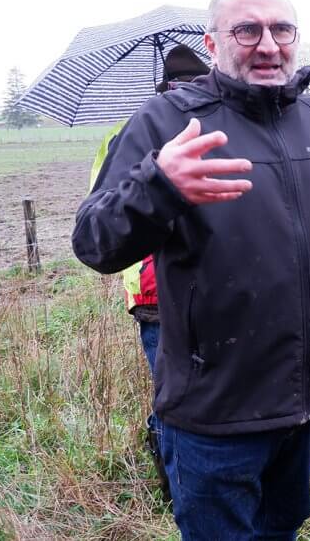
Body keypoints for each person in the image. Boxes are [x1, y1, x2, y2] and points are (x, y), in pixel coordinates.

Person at [73, 0, 310, 539]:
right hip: (216, 409)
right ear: (212, 43)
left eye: (281, 29)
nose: (269, 44)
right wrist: (159, 186)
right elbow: (95, 242)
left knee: (282, 527)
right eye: (247, 30)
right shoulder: (165, 123)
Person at [87, 45, 209, 501]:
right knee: (173, 392)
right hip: (154, 290)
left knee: (205, 391)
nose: (186, 93)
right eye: (179, 86)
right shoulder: (132, 132)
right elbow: (102, 213)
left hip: (214, 287)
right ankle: (174, 483)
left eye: (193, 86)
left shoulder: (217, 126)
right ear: (165, 88)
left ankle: (197, 478)